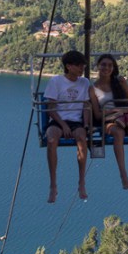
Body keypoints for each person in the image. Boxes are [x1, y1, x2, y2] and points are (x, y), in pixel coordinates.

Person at [44, 50, 97, 203]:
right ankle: (53, 185)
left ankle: (82, 182)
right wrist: (63, 125)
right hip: (58, 120)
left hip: (76, 121)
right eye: (79, 65)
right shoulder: (56, 81)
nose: (82, 68)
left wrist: (86, 124)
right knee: (51, 140)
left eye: (83, 66)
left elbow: (86, 106)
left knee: (82, 140)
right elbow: (50, 108)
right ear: (68, 66)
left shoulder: (84, 82)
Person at [91, 53, 128, 195]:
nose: (106, 68)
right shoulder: (93, 88)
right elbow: (97, 114)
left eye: (110, 65)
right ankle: (123, 174)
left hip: (126, 116)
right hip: (109, 120)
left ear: (113, 68)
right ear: (98, 66)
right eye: (103, 65)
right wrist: (113, 111)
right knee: (118, 133)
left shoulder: (120, 82)